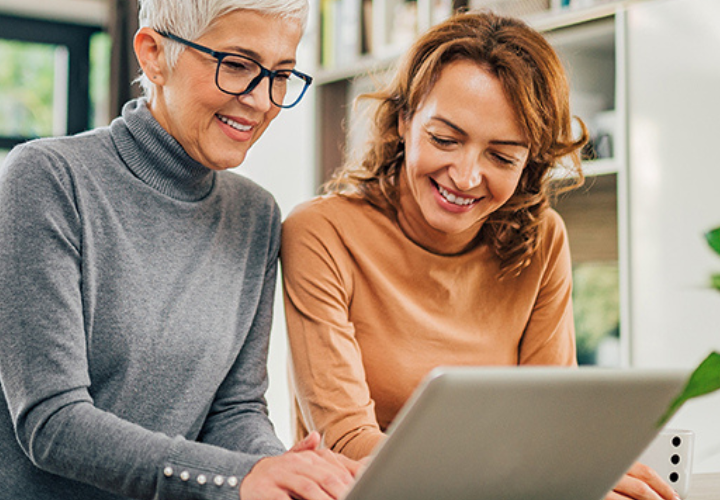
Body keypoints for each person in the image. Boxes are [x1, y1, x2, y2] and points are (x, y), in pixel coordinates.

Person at [0, 1, 360, 499]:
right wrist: (238, 479)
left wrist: (285, 471)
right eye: (237, 65)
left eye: (280, 73)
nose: (262, 100)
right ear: (154, 54)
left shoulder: (255, 215)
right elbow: (51, 422)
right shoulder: (47, 178)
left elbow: (235, 410)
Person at [281, 11, 679, 500]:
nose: (466, 176)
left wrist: (581, 471)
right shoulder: (321, 233)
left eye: (502, 156)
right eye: (445, 139)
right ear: (405, 120)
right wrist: (544, 474)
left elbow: (548, 425)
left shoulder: (542, 241)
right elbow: (345, 442)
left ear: (529, 162)